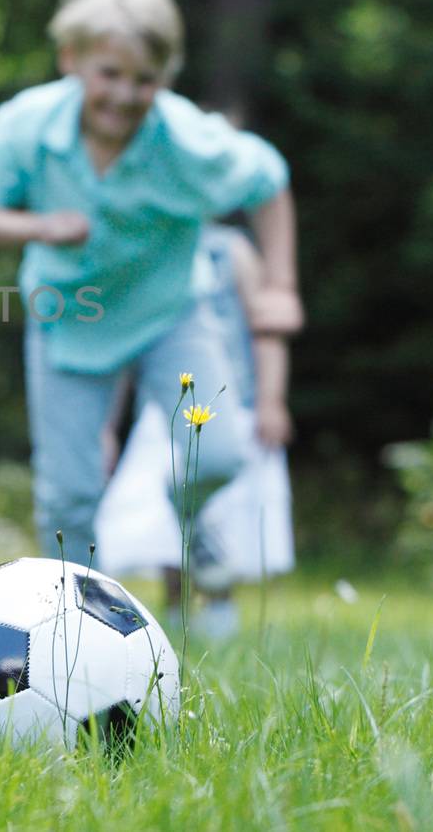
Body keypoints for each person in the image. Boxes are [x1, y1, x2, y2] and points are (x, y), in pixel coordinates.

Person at [0, 0, 302, 569]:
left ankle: (188, 519)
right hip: (70, 314)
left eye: (145, 80)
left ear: (166, 77)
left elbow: (269, 181)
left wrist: (281, 285)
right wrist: (39, 226)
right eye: (109, 74)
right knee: (67, 498)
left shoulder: (185, 140)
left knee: (217, 456)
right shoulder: (29, 124)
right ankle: (77, 627)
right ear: (71, 60)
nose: (126, 96)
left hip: (171, 310)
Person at [94, 224, 296, 639]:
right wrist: (106, 426)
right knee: (165, 526)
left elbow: (265, 330)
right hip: (164, 406)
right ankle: (172, 620)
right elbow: (120, 351)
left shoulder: (230, 250)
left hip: (233, 401)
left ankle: (223, 616)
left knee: (226, 515)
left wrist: (270, 399)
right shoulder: (145, 245)